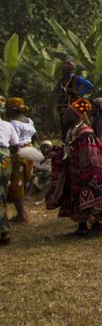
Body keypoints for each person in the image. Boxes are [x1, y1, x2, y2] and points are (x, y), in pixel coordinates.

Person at [46, 98, 102, 238]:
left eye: (68, 113)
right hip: (74, 171)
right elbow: (69, 149)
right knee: (76, 198)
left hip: (85, 171)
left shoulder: (85, 132)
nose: (64, 116)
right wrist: (57, 153)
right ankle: (82, 227)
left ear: (76, 115)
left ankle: (97, 224)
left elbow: (89, 153)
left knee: (91, 196)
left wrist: (87, 172)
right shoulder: (73, 131)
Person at [6, 97, 36, 224]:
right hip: (30, 151)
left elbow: (14, 142)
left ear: (12, 109)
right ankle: (22, 212)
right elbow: (35, 136)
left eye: (7, 108)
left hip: (19, 154)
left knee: (16, 183)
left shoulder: (13, 124)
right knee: (24, 181)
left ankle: (21, 216)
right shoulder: (29, 121)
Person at [0, 98, 20, 245]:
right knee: (2, 195)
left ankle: (3, 231)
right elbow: (15, 146)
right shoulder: (8, 125)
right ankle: (4, 231)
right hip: (5, 159)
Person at [54, 61, 93, 134]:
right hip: (63, 104)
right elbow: (57, 91)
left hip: (75, 103)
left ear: (72, 70)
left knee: (78, 120)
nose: (64, 71)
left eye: (67, 69)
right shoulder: (62, 80)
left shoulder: (77, 78)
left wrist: (79, 93)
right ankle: (65, 138)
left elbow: (90, 86)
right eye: (64, 69)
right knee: (64, 122)